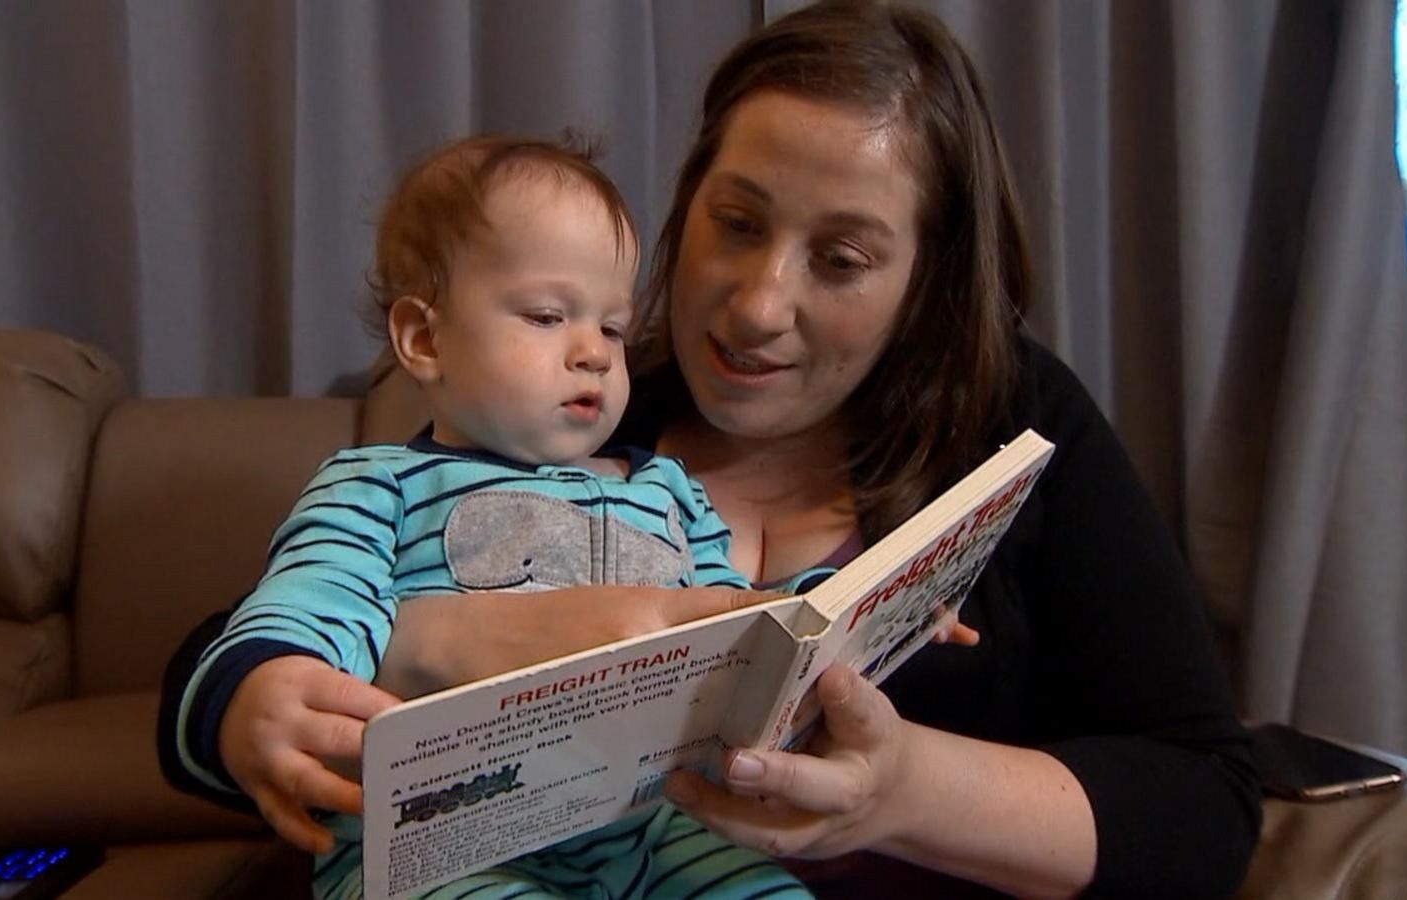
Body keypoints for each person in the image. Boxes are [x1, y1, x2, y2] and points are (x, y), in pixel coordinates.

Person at [160, 2, 1263, 897]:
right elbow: (277, 632)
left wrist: (900, 788)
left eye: (839, 257)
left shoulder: (1007, 425)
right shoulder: (576, 416)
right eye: (735, 223)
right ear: (686, 203)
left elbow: (1204, 806)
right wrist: (452, 641)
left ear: (923, 280)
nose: (757, 305)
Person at [170, 135, 837, 899]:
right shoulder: (376, 486)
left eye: (614, 327)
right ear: (425, 338)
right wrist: (258, 687)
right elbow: (310, 602)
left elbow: (744, 624)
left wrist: (845, 607)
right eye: (548, 315)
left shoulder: (670, 492)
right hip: (444, 843)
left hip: (646, 832)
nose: (593, 352)